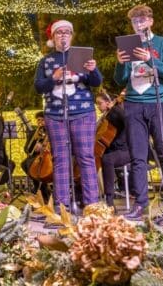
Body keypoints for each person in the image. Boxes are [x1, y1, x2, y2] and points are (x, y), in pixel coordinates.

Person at [114, 4, 163, 220]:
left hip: (160, 102)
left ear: (151, 21)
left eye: (142, 19)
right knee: (137, 157)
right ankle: (140, 204)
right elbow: (120, 80)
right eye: (135, 21)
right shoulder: (129, 45)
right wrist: (120, 64)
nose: (139, 23)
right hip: (133, 103)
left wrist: (150, 59)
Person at [34, 19, 102, 211]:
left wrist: (93, 69)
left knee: (86, 157)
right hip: (55, 114)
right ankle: (61, 207)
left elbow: (96, 82)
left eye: (67, 32)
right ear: (53, 37)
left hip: (82, 112)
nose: (63, 35)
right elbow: (38, 87)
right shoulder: (46, 61)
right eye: (59, 32)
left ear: (71, 36)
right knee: (60, 159)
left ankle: (92, 206)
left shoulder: (81, 56)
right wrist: (53, 78)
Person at [96, 90, 130, 209]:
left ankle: (109, 200)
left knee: (107, 159)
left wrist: (114, 108)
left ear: (108, 102)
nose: (98, 106)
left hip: (126, 150)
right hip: (113, 150)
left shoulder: (117, 112)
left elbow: (127, 121)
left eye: (100, 103)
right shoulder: (107, 116)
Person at [21, 111, 51, 202]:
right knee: (24, 164)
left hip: (47, 157)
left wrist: (43, 146)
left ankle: (40, 190)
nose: (40, 122)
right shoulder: (34, 132)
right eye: (38, 120)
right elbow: (27, 149)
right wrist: (34, 144)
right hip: (36, 157)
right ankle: (41, 188)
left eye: (43, 120)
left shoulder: (50, 131)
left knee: (33, 166)